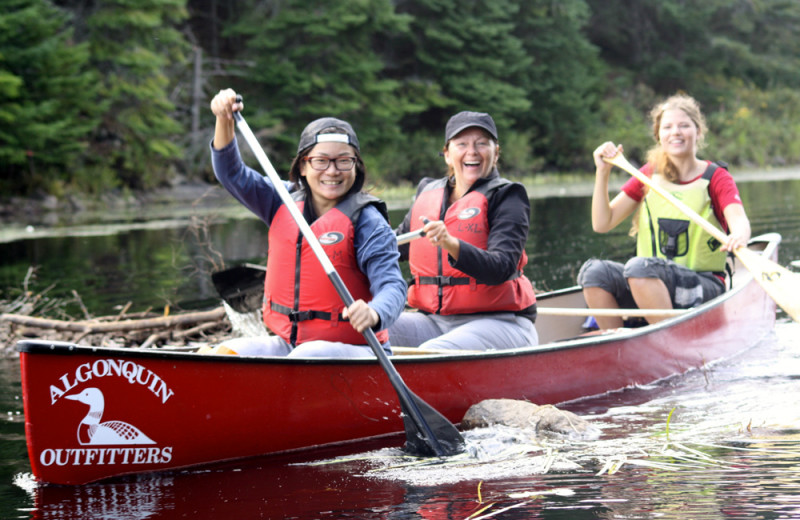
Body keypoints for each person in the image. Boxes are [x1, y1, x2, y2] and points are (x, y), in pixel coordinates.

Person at [206, 89, 406, 357]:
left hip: (360, 351)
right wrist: (224, 119)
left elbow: (392, 286)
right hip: (292, 344)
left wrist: (374, 311)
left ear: (356, 166)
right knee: (225, 352)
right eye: (321, 161)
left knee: (306, 356)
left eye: (343, 161)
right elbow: (231, 173)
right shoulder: (280, 201)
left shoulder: (368, 222)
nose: (332, 171)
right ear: (303, 166)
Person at [578, 93, 752, 329]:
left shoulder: (716, 177)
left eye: (684, 125)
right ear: (659, 136)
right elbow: (602, 223)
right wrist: (602, 173)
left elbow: (739, 221)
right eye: (667, 127)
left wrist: (738, 236)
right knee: (594, 272)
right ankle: (614, 343)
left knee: (639, 268)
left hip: (703, 285)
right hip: (647, 281)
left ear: (698, 132)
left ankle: (668, 342)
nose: (675, 132)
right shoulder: (648, 175)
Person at [388, 111, 538, 351]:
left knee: (430, 354)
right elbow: (395, 248)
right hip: (433, 321)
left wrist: (451, 243)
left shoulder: (508, 196)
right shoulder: (428, 192)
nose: (472, 152)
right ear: (447, 154)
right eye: (462, 144)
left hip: (500, 322)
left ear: (496, 152)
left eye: (482, 144)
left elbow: (501, 268)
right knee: (364, 332)